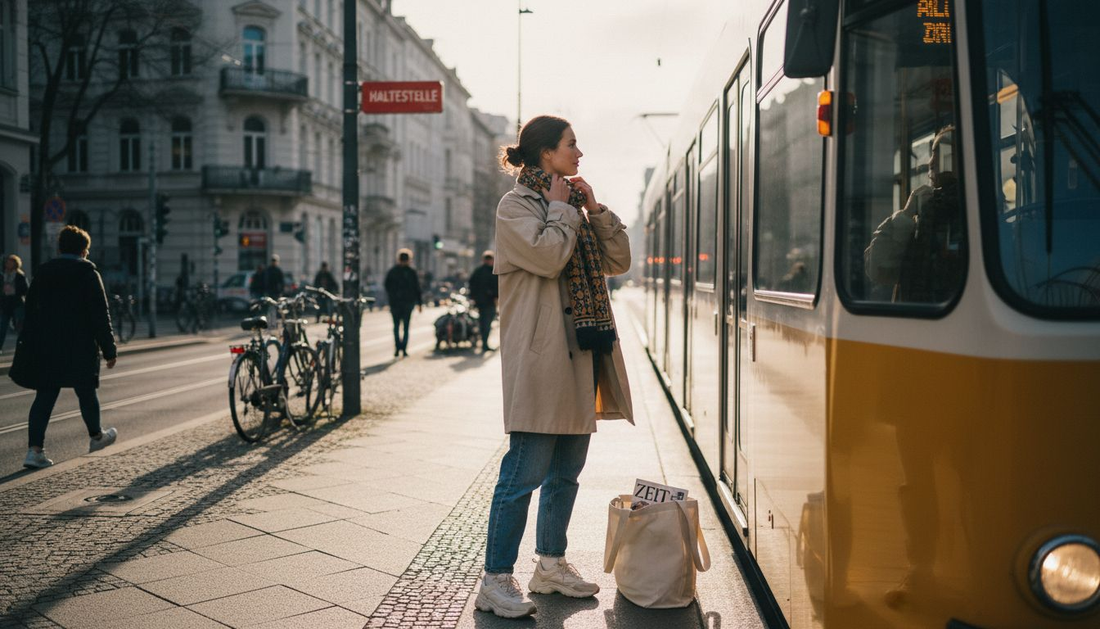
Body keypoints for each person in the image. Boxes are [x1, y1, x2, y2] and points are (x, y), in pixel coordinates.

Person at [475, 115, 633, 619]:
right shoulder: (516, 205)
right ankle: (496, 578)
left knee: (566, 474)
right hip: (542, 359)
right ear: (546, 152)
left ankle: (550, 564)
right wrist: (565, 211)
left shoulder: (572, 208)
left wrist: (594, 209)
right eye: (571, 145)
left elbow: (619, 261)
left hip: (582, 355)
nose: (579, 152)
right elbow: (545, 258)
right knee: (522, 474)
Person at [10, 226, 118, 469]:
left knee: (45, 395)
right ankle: (96, 437)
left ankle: (34, 451)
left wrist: (27, 344)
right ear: (84, 250)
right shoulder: (88, 273)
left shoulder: (44, 272)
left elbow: (30, 313)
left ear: (59, 248)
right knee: (86, 391)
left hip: (47, 346)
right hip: (80, 345)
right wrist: (109, 350)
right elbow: (100, 315)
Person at [864, 126, 965, 303]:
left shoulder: (932, 216)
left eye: (939, 153)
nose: (931, 162)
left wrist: (905, 214)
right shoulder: (928, 211)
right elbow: (877, 267)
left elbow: (877, 268)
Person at [384, 248, 422, 358]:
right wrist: (419, 303)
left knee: (397, 327)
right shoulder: (411, 272)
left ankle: (398, 348)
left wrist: (392, 297)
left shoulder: (393, 271)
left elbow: (387, 286)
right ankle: (403, 349)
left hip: (397, 303)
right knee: (404, 327)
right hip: (407, 303)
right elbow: (417, 288)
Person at [467, 250, 499, 352]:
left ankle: (483, 343)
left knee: (483, 322)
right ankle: (485, 344)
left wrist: (473, 297)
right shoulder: (492, 271)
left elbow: (471, 283)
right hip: (489, 301)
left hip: (481, 302)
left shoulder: (478, 270)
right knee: (487, 323)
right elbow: (496, 286)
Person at [1, 254, 29, 352]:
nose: (8, 264)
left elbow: (26, 289)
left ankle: (23, 347)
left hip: (17, 304)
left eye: (11, 262)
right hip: (5, 304)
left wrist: (15, 290)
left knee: (19, 327)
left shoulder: (20, 276)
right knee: (2, 326)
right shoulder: (2, 275)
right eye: (7, 262)